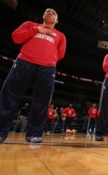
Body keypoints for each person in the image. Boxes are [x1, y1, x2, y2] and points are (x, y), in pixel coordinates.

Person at [0, 8, 66, 143]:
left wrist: (48, 58)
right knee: (9, 95)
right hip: (24, 61)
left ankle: (34, 133)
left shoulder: (60, 35)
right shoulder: (30, 25)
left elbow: (60, 54)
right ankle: (1, 131)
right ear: (43, 15)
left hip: (47, 67)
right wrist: (36, 30)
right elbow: (16, 37)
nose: (50, 13)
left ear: (57, 21)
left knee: (42, 100)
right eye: (47, 11)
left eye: (54, 13)